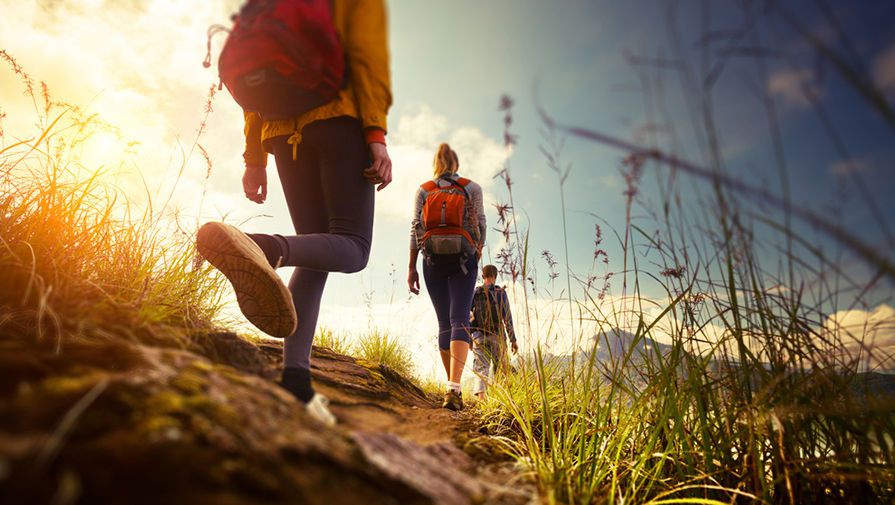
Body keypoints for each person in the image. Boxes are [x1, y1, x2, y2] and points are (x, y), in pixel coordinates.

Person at [196, 0, 392, 427]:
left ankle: (297, 382)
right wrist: (375, 135)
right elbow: (367, 58)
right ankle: (264, 247)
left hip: (281, 133)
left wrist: (255, 158)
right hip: (338, 120)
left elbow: (256, 83)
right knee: (353, 248)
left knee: (314, 251)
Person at [408, 143, 486, 411]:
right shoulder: (471, 187)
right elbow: (482, 224)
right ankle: (453, 386)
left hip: (432, 262)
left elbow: (414, 229)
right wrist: (476, 254)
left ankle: (451, 387)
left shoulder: (424, 190)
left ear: (436, 164)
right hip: (464, 261)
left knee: (444, 323)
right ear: (456, 164)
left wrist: (412, 267)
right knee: (460, 319)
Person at [470, 264, 517, 400]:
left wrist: (469, 339)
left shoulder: (474, 293)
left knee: (481, 368)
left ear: (483, 276)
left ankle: (482, 400)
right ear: (495, 276)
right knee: (501, 368)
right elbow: (507, 318)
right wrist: (513, 340)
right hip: (497, 335)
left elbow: (469, 316)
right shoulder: (501, 293)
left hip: (478, 336)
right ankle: (500, 401)